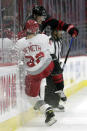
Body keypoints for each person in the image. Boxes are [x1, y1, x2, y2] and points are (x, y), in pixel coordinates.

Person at [17, 5, 79, 110]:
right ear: (35, 15)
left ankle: (52, 102)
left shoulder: (42, 19)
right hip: (33, 54)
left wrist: (70, 29)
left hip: (41, 52)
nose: (43, 19)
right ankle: (39, 101)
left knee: (53, 72)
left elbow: (56, 23)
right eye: (41, 17)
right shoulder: (29, 23)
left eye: (44, 17)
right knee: (41, 75)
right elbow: (24, 41)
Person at [15, 20, 57, 126]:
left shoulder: (20, 43)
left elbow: (17, 59)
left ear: (26, 29)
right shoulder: (43, 37)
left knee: (31, 96)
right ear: (37, 29)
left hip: (34, 73)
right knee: (47, 69)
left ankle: (47, 110)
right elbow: (51, 51)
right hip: (48, 67)